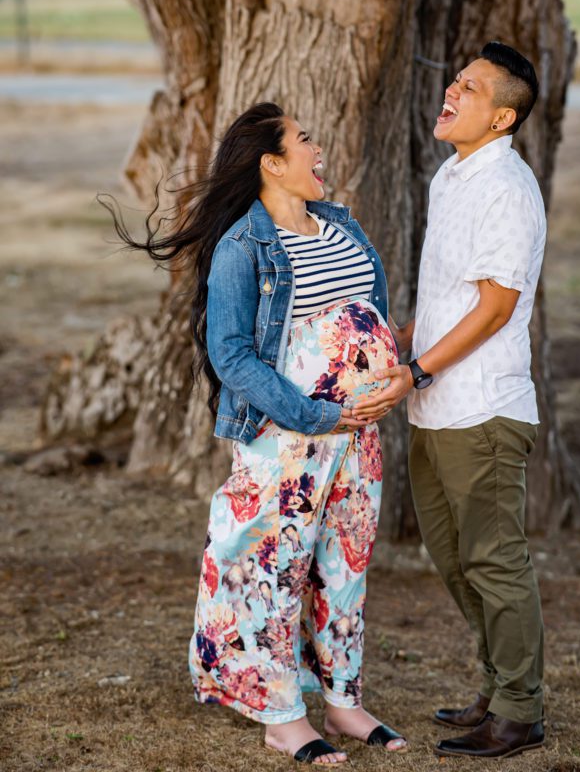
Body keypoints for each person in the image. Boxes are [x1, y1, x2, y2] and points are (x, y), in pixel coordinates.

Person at [104, 103, 407, 765]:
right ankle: (281, 716)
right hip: (289, 435)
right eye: (305, 139)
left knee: (344, 566)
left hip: (358, 438)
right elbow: (232, 354)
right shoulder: (244, 246)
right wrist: (318, 412)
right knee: (274, 568)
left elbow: (370, 316)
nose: (318, 147)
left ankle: (344, 701)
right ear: (272, 163)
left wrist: (384, 375)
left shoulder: (340, 225)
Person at [353, 42, 547, 759]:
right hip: (434, 401)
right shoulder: (452, 175)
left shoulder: (507, 188)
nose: (451, 94)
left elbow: (496, 307)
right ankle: (498, 690)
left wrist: (420, 370)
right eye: (455, 82)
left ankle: (520, 712)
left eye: (469, 89)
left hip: (482, 409)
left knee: (494, 559)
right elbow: (449, 298)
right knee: (455, 559)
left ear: (500, 117)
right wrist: (396, 344)